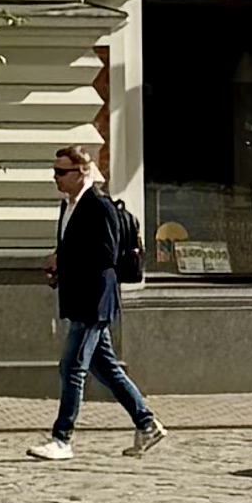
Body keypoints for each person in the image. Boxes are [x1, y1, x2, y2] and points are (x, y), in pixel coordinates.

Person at [28, 144, 161, 463]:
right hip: (79, 297)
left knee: (72, 367)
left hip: (95, 300)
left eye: (62, 172)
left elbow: (105, 255)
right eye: (54, 171)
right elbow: (73, 247)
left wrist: (63, 259)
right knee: (105, 367)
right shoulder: (68, 205)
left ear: (82, 172)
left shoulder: (99, 206)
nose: (56, 177)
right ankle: (146, 423)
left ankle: (62, 438)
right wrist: (59, 266)